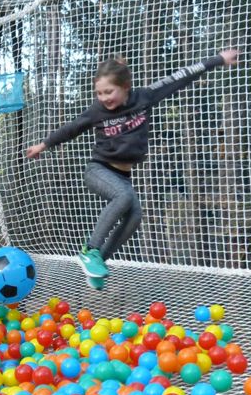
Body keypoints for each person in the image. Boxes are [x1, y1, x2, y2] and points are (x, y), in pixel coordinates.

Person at [27, 49, 239, 289]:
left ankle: (97, 267)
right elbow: (71, 128)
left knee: (135, 217)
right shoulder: (97, 111)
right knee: (124, 197)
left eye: (109, 92)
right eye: (99, 93)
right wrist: (43, 145)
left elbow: (180, 77)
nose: (104, 98)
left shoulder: (144, 97)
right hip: (99, 170)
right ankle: (90, 250)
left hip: (123, 175)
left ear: (126, 86)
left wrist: (217, 60)